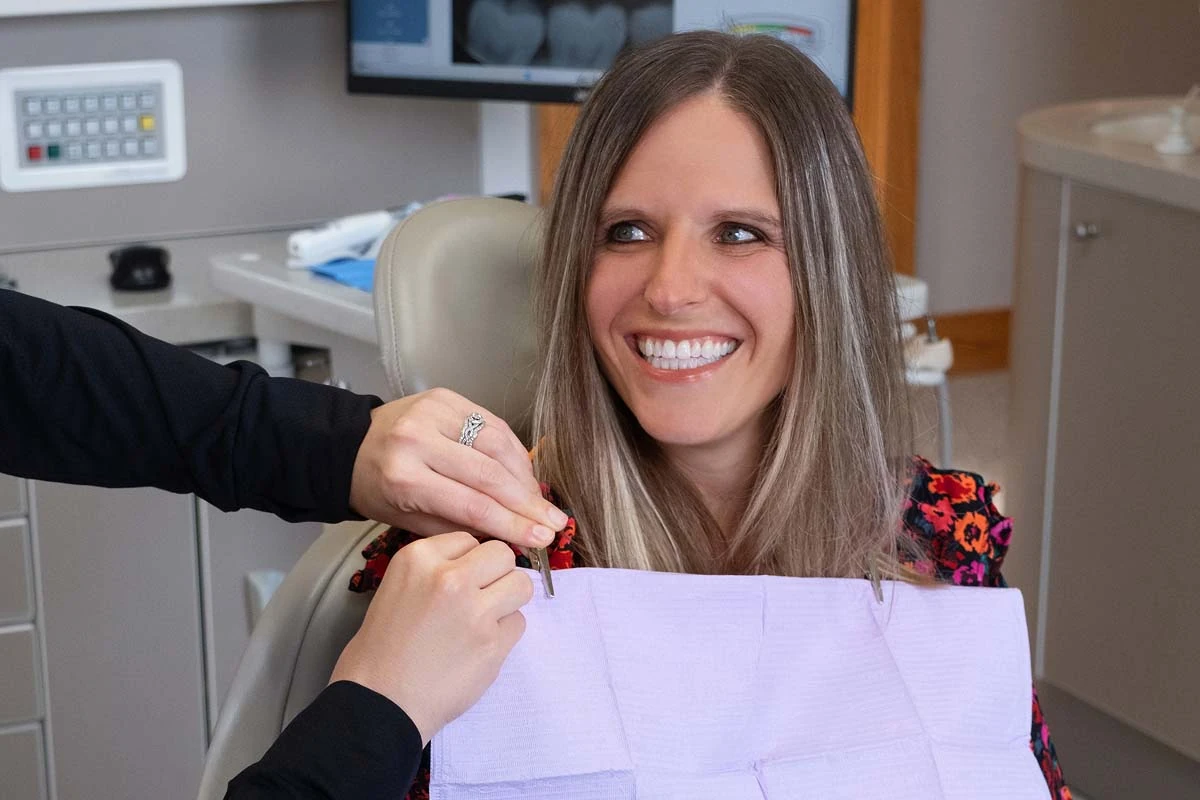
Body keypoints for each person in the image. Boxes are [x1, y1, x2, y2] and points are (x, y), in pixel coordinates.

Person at [333, 31, 1072, 800]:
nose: (672, 288)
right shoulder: (473, 577)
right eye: (628, 232)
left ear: (829, 272)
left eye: (740, 234)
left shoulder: (938, 539)